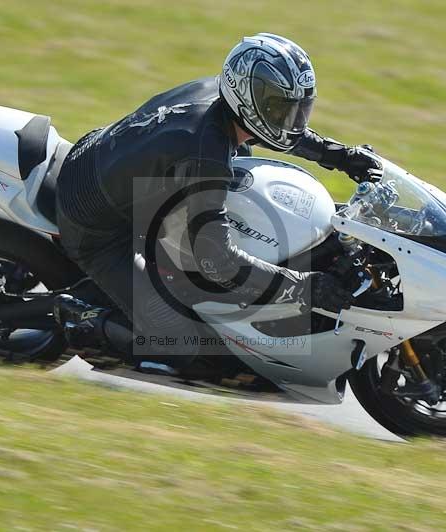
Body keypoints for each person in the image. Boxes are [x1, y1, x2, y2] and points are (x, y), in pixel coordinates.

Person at [53, 33, 383, 373]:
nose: (292, 120)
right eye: (281, 108)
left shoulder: (219, 98)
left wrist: (339, 155)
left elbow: (276, 131)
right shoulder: (206, 154)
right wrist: (302, 288)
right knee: (181, 343)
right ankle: (80, 317)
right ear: (249, 99)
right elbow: (217, 260)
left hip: (101, 159)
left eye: (298, 109)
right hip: (98, 227)